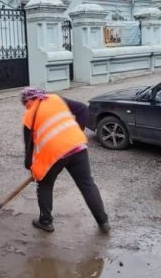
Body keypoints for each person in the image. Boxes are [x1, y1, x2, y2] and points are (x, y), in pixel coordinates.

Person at [20, 87, 109, 233]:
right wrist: (75, 132)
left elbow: (29, 148)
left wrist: (30, 166)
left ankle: (46, 222)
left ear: (27, 101)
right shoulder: (56, 98)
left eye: (25, 103)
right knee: (87, 183)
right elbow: (82, 109)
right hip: (77, 146)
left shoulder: (29, 117)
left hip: (55, 155)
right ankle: (103, 221)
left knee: (45, 184)